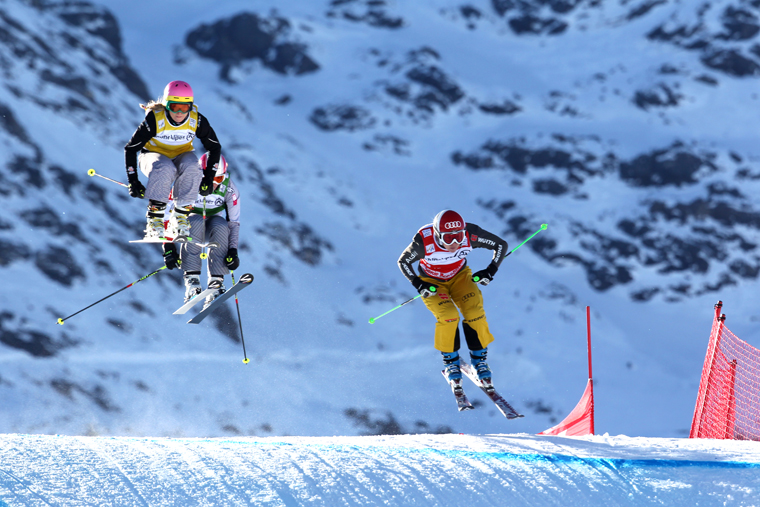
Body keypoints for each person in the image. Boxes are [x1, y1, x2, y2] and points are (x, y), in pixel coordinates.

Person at [398, 210, 508, 394]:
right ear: (437, 234)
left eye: (458, 236)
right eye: (448, 238)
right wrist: (418, 284)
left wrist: (490, 271)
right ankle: (451, 364)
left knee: (474, 312)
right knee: (448, 316)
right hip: (432, 282)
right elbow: (403, 262)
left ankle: (479, 361)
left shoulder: (471, 234)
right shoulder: (423, 242)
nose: (454, 243)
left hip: (460, 277)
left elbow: (500, 245)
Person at [124, 80, 223, 240]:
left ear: (190, 106)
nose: (179, 113)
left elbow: (214, 147)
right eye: (174, 107)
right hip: (152, 156)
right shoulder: (155, 120)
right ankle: (155, 220)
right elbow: (131, 148)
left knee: (192, 165)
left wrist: (208, 178)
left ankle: (180, 217)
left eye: (184, 108)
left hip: (181, 156)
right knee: (165, 168)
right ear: (166, 105)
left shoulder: (196, 120)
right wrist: (133, 181)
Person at [162, 153, 241, 310]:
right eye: (208, 177)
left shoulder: (229, 189)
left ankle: (216, 283)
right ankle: (192, 281)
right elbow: (167, 215)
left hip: (213, 231)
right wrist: (168, 246)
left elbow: (234, 223)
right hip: (190, 228)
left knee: (220, 224)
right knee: (195, 219)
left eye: (218, 179)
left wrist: (233, 250)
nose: (213, 183)